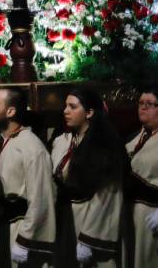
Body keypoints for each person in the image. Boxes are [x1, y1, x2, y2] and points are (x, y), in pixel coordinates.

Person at [51, 87, 125, 267]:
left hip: (87, 219)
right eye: (65, 106)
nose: (65, 111)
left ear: (90, 112)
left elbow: (107, 197)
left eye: (73, 107)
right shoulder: (61, 141)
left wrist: (89, 240)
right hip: (64, 218)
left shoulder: (104, 147)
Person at [0, 87, 56, 267]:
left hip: (19, 229)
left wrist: (26, 241)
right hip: (0, 228)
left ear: (11, 111)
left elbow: (41, 197)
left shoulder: (32, 148)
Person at [125, 84, 158, 268]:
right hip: (131, 220)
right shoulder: (135, 137)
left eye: (150, 103)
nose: (143, 107)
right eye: (140, 103)